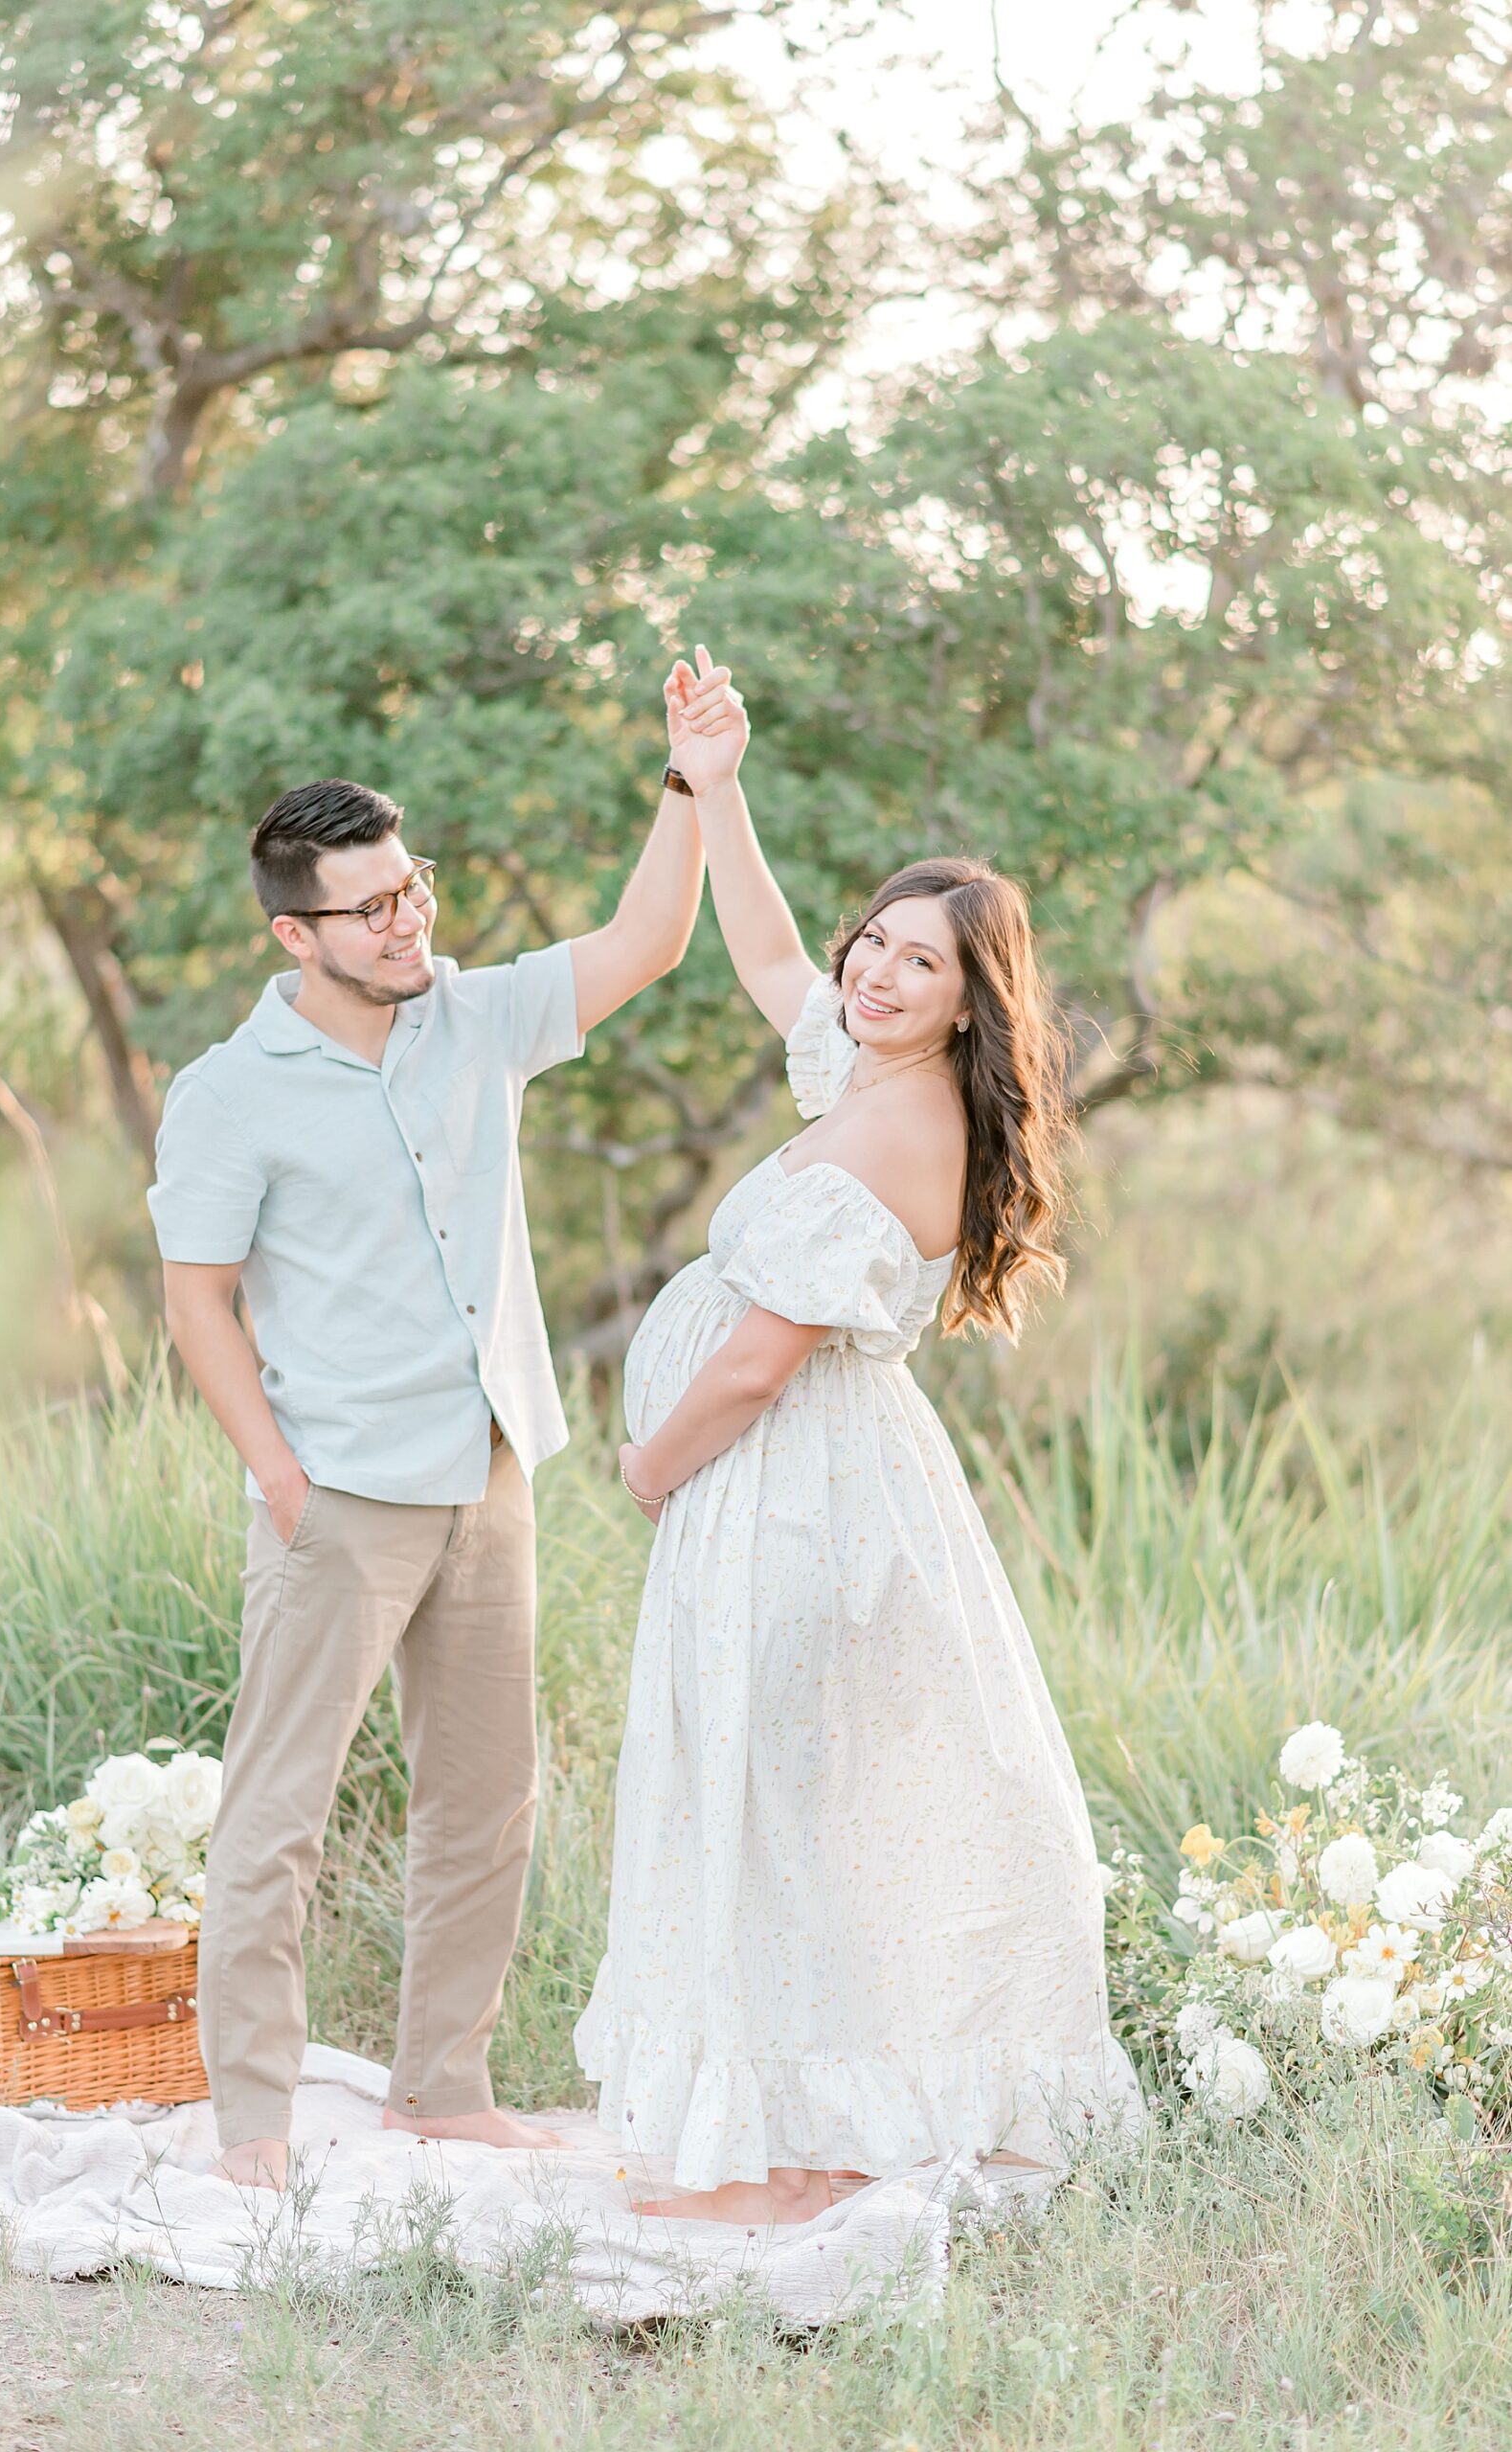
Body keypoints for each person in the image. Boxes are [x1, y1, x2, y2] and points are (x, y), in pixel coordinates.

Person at [575, 650, 1140, 2225]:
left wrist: (646, 1464)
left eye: (918, 966)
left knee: (777, 1805)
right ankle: (799, 2131)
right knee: (795, 1805)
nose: (875, 976)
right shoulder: (868, 1069)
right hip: (811, 1487)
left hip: (790, 1489)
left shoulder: (896, 1120)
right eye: (873, 946)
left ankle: (794, 2155)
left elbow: (758, 1363)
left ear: (970, 1001)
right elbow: (760, 952)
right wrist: (715, 780)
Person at [149, 760, 705, 2190]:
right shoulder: (229, 1095)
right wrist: (277, 1476)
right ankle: (252, 2122)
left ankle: (440, 2084)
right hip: (335, 1492)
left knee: (485, 1796)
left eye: (412, 888)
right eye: (371, 907)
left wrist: (691, 782)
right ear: (295, 934)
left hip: (488, 1469)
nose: (408, 922)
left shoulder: (475, 1017)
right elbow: (196, 1300)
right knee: (281, 1811)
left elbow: (647, 941)